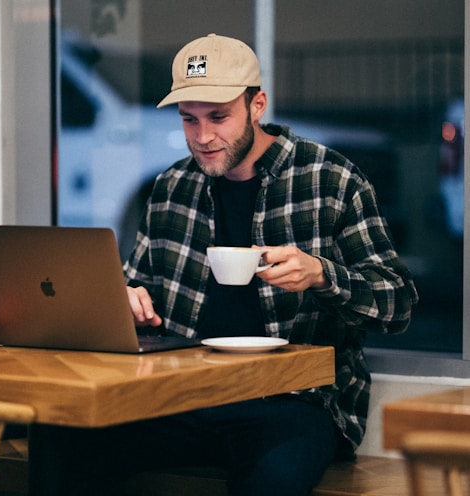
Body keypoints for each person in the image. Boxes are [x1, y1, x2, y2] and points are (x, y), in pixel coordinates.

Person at [32, 33, 418, 496]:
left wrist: (321, 275)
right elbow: (136, 290)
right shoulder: (172, 187)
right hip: (184, 396)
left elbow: (398, 305)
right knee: (59, 435)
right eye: (188, 120)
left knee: (272, 479)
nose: (203, 137)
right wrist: (125, 300)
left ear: (257, 105)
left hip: (293, 403)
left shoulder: (331, 181)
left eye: (219, 117)